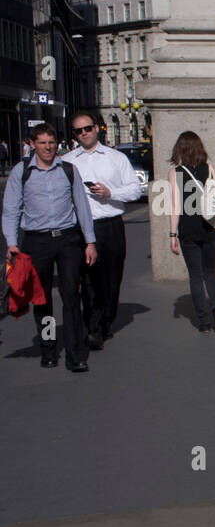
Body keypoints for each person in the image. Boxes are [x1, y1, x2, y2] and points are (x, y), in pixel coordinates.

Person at [1, 124, 97, 371]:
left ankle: (76, 354)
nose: (47, 147)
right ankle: (49, 349)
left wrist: (90, 242)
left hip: (67, 239)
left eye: (51, 142)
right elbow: (11, 210)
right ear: (32, 144)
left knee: (71, 296)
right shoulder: (22, 172)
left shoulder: (68, 170)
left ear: (57, 143)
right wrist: (11, 243)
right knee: (41, 300)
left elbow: (82, 208)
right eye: (42, 143)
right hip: (36, 241)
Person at [63, 113, 143, 348]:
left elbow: (135, 191)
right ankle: (94, 326)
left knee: (112, 278)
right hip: (82, 228)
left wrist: (110, 193)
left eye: (87, 128)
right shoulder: (68, 161)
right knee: (88, 280)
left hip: (111, 225)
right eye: (78, 131)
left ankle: (106, 320)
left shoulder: (115, 158)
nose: (83, 133)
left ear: (97, 129)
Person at [166, 131, 215, 333]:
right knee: (210, 272)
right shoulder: (211, 169)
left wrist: (172, 235)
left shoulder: (175, 173)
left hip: (188, 229)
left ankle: (204, 321)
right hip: (210, 228)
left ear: (180, 150)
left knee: (195, 275)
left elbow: (175, 206)